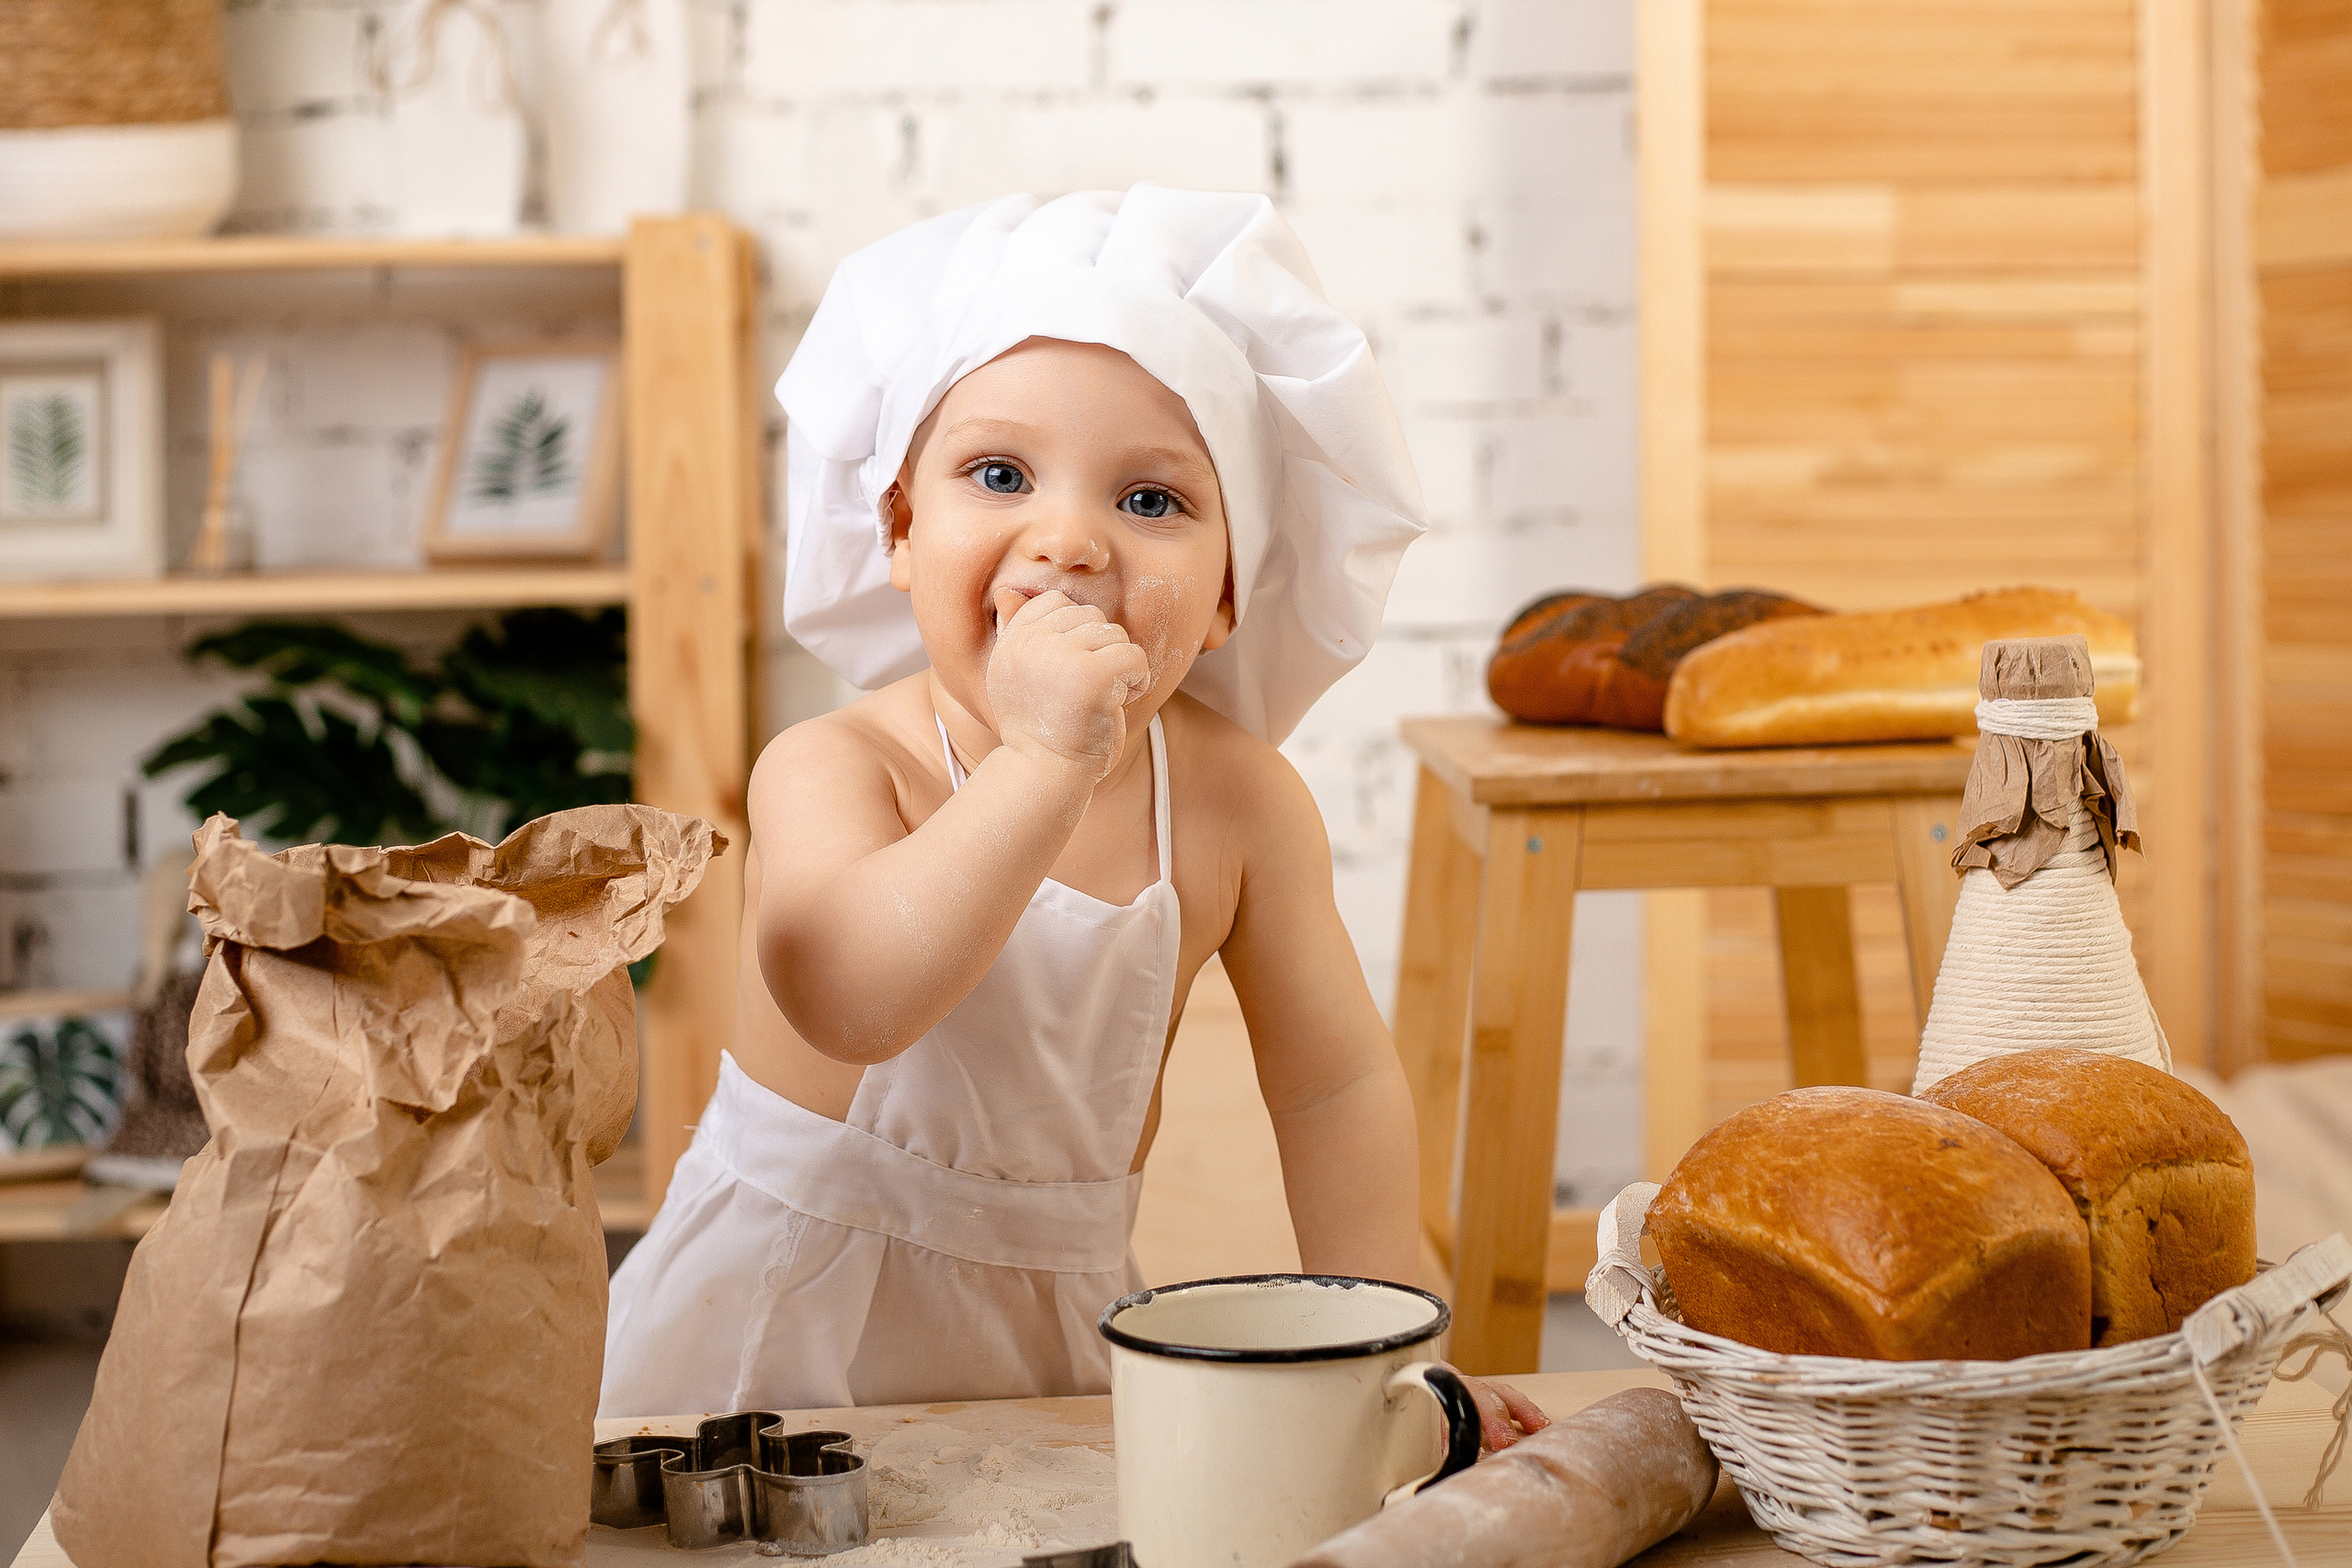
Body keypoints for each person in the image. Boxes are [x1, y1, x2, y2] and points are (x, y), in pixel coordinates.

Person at [602, 186, 1548, 1449]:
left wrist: (1401, 1357)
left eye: (1151, 502)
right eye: (1000, 475)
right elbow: (852, 996)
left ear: (1224, 598)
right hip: (767, 1336)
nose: (1070, 541)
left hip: (1052, 1332)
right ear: (898, 527)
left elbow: (1334, 1088)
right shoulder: (830, 765)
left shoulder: (1237, 805)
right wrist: (1045, 759)